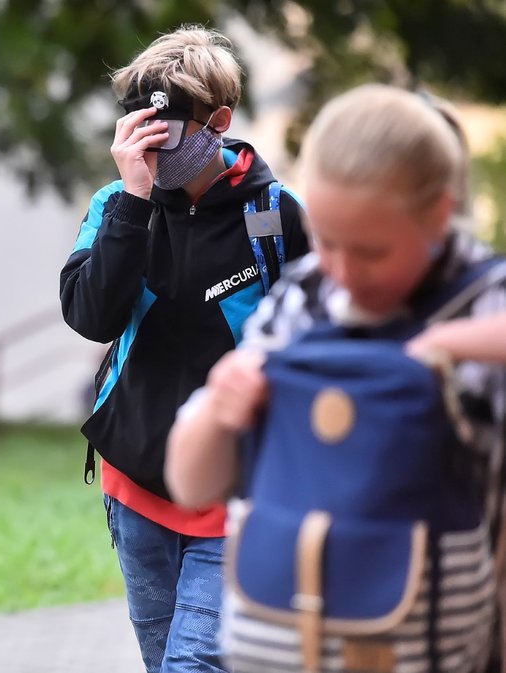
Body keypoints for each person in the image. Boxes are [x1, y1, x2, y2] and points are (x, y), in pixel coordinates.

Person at [164, 84, 506, 673]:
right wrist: (222, 405)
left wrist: (444, 346)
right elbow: (192, 483)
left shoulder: (485, 301)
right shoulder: (301, 298)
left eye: (371, 252)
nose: (344, 274)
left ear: (440, 214)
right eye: (326, 241)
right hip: (304, 639)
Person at [59, 25, 308, 673]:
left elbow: (319, 339)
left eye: (169, 129)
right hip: (136, 488)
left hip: (238, 493)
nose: (153, 143)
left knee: (193, 665)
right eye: (140, 125)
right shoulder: (117, 204)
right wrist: (135, 201)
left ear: (217, 122)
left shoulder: (276, 215)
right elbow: (92, 315)